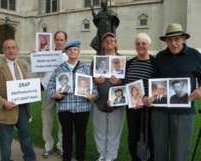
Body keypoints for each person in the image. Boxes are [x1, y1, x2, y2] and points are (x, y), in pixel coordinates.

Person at [143, 23, 201, 161]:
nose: (173, 43)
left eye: (177, 39)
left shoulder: (194, 55)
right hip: (160, 111)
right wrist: (147, 96)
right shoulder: (161, 56)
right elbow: (154, 79)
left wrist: (200, 89)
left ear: (183, 39)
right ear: (166, 41)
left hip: (183, 112)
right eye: (170, 40)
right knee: (159, 150)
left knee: (180, 152)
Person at [47, 40, 98, 161]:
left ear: (79, 52)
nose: (72, 51)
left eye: (75, 49)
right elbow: (50, 86)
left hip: (82, 108)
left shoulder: (85, 68)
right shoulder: (60, 68)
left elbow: (94, 88)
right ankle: (67, 158)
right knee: (66, 136)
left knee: (81, 136)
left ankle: (80, 158)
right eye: (70, 50)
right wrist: (54, 94)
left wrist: (92, 95)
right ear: (66, 52)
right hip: (65, 108)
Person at [0, 39, 36, 161]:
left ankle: (30, 158)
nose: (11, 50)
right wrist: (3, 102)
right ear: (3, 50)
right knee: (5, 141)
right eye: (8, 48)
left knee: (26, 136)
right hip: (6, 109)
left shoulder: (22, 65)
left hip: (23, 108)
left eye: (14, 47)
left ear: (18, 50)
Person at [91, 32, 125, 161]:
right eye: (106, 41)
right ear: (103, 44)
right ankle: (102, 154)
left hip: (117, 102)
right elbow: (89, 79)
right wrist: (95, 80)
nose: (109, 42)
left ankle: (110, 157)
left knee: (114, 131)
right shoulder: (97, 60)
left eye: (112, 40)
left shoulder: (122, 60)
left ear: (115, 43)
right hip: (99, 101)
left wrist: (120, 82)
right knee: (99, 130)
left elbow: (128, 81)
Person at [124, 33, 155, 161]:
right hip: (132, 108)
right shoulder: (130, 63)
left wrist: (150, 98)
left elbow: (160, 85)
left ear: (149, 45)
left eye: (143, 43)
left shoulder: (155, 63)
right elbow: (124, 84)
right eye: (138, 44)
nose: (140, 46)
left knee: (150, 138)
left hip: (149, 109)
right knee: (133, 138)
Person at [40, 31, 68, 158]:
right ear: (54, 41)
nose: (59, 42)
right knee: (47, 119)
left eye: (62, 40)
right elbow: (38, 71)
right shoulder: (46, 54)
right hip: (48, 90)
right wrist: (36, 57)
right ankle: (48, 146)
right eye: (57, 39)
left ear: (65, 41)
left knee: (62, 121)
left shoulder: (69, 54)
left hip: (63, 91)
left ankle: (61, 146)